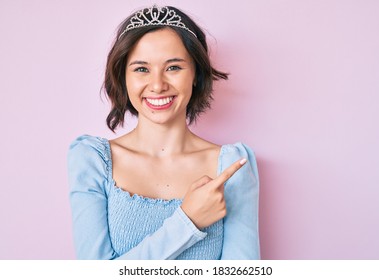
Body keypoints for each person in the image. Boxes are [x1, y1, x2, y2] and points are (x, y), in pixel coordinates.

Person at [68, 5, 260, 260]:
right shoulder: (93, 160)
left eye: (173, 67)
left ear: (195, 73)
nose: (157, 85)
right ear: (123, 77)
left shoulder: (232, 167)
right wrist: (188, 221)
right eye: (141, 69)